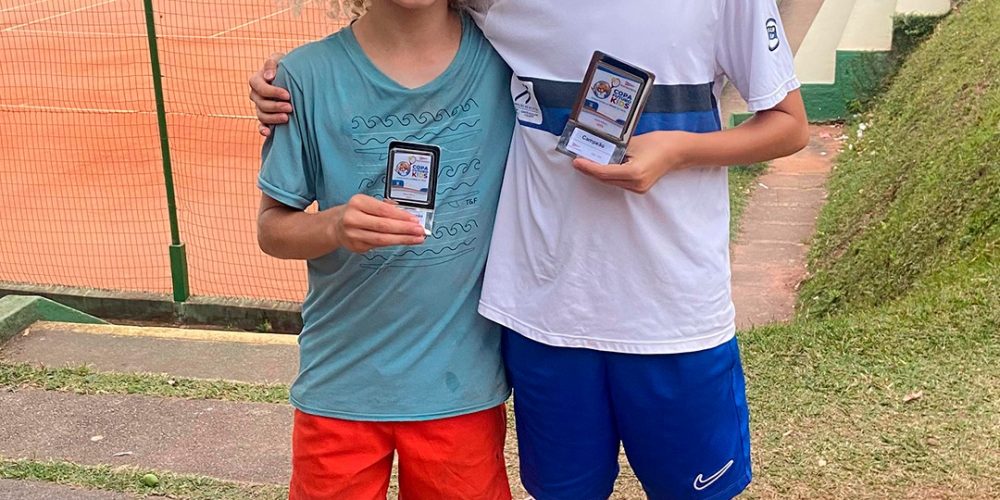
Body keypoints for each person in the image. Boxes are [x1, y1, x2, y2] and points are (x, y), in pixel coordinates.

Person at [252, 1, 809, 498]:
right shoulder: (492, 11)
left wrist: (679, 150)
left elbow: (788, 124)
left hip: (673, 318)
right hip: (543, 320)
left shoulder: (721, 4)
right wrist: (290, 80)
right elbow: (396, 39)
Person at [254, 0, 515, 498]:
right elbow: (272, 229)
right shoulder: (305, 77)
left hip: (460, 387)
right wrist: (334, 226)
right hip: (342, 383)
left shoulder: (507, 58)